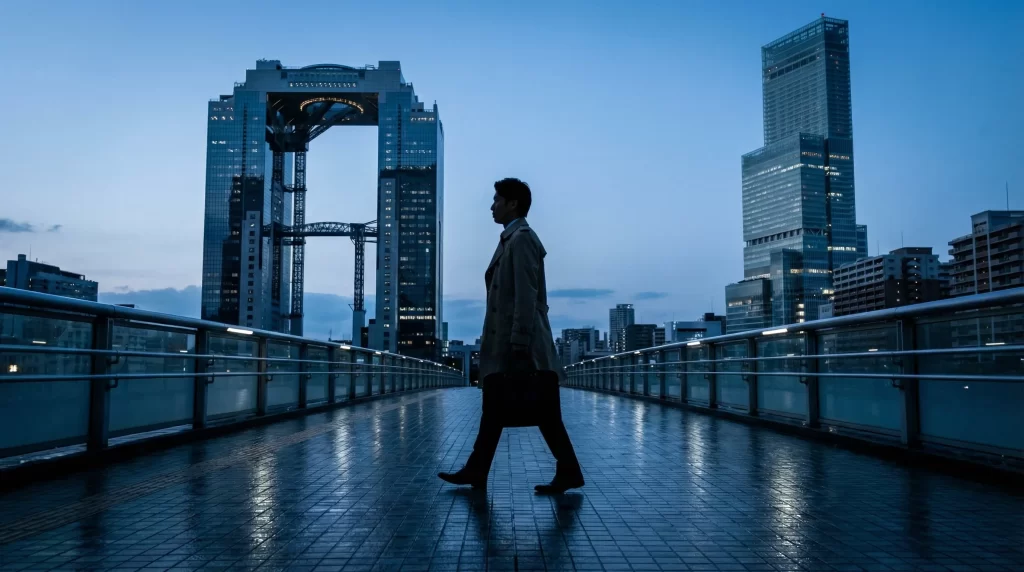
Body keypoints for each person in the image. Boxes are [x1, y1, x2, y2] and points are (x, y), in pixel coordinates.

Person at [438, 178, 584, 494]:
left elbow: (526, 296)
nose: (492, 206)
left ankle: (566, 470)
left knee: (538, 412)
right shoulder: (510, 239)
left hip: (520, 345)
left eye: (496, 200)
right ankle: (477, 470)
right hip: (511, 343)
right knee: (500, 410)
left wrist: (519, 341)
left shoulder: (522, 240)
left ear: (513, 203)